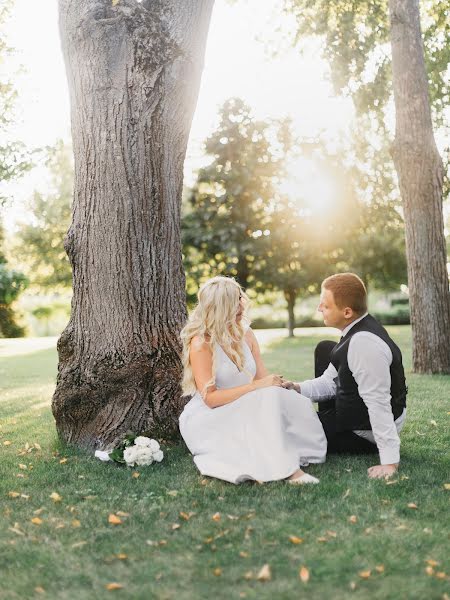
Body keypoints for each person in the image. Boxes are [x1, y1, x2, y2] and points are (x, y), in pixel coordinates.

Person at [179, 276, 327, 485]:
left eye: (240, 298)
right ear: (220, 307)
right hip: (214, 413)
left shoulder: (246, 333)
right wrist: (257, 387)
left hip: (249, 400)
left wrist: (276, 384)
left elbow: (262, 379)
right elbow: (210, 399)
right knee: (262, 400)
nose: (241, 306)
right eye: (234, 302)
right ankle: (289, 471)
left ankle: (298, 450)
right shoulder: (201, 342)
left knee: (282, 396)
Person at [284, 273, 407, 479]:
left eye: (325, 305)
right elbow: (330, 382)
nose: (318, 309)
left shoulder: (363, 343)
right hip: (354, 413)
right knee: (325, 349)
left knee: (289, 431)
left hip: (364, 433)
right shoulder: (354, 331)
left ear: (347, 311)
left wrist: (389, 462)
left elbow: (378, 403)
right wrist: (297, 388)